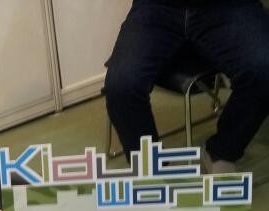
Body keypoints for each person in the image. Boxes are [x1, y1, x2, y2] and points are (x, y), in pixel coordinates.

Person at [104, 0, 269, 172]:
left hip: (227, 7)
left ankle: (223, 150)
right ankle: (151, 166)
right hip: (156, 8)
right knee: (121, 84)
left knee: (264, 70)